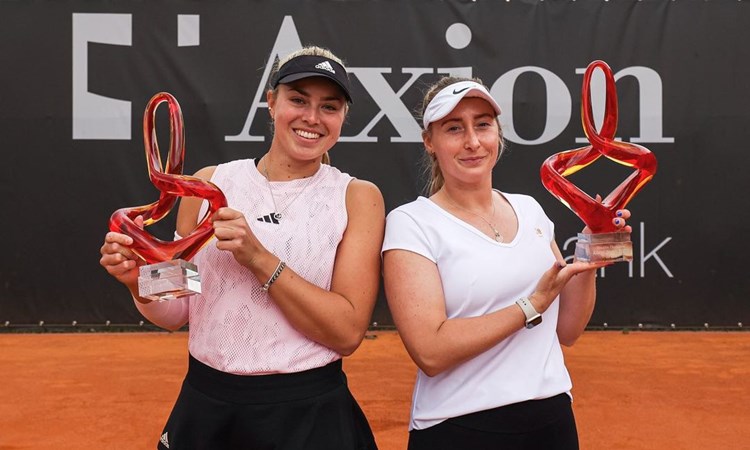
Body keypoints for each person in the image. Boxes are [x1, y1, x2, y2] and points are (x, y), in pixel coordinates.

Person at [100, 46, 384, 450]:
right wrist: (136, 280)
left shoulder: (357, 197)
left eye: (329, 107)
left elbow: (347, 332)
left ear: (342, 118)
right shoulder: (208, 183)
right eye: (298, 100)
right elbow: (177, 310)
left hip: (309, 414)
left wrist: (259, 258)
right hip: (207, 407)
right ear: (271, 102)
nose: (312, 118)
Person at [381, 77, 632, 450]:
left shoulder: (530, 209)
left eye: (483, 124)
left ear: (497, 133)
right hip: (458, 427)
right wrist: (530, 306)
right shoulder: (411, 223)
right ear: (429, 142)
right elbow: (430, 351)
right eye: (454, 128)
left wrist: (591, 244)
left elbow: (568, 329)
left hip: (551, 419)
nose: (472, 141)